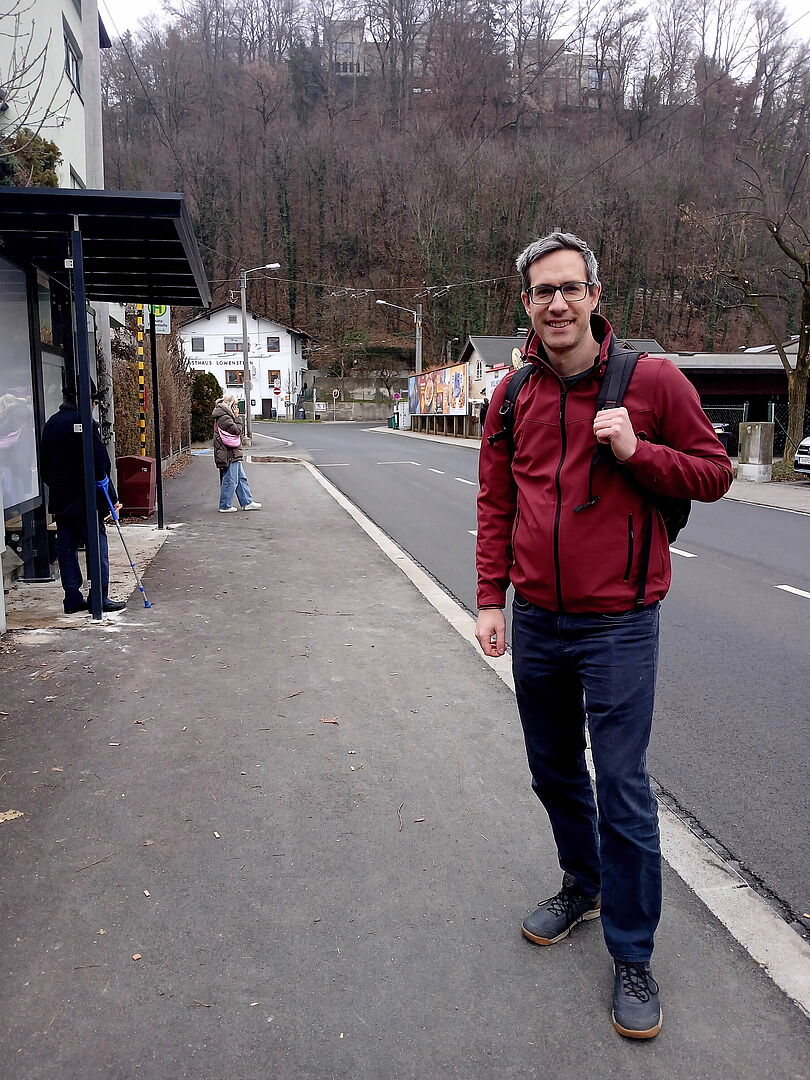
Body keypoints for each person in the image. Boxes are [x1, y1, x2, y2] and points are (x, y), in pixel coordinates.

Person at [475, 232, 732, 1040]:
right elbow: (495, 504)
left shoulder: (649, 380)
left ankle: (632, 953)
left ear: (594, 294)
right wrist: (491, 600)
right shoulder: (512, 394)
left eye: (570, 288)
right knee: (553, 772)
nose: (558, 303)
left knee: (621, 787)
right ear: (526, 303)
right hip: (540, 623)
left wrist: (636, 448)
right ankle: (580, 886)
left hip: (620, 623)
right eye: (543, 291)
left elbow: (714, 472)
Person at [40, 382, 127, 614]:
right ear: (88, 400)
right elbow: (101, 466)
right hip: (87, 500)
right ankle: (99, 596)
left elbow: (45, 468)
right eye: (95, 402)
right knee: (97, 546)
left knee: (66, 547)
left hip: (61, 499)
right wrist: (111, 497)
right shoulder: (87, 423)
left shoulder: (52, 423)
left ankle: (72, 597)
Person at [212, 394, 262, 513]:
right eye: (235, 405)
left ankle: (247, 502)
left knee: (240, 478)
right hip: (229, 453)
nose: (237, 408)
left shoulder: (224, 416)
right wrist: (237, 418)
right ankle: (225, 505)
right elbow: (237, 431)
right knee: (231, 480)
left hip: (232, 453)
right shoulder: (224, 417)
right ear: (231, 406)